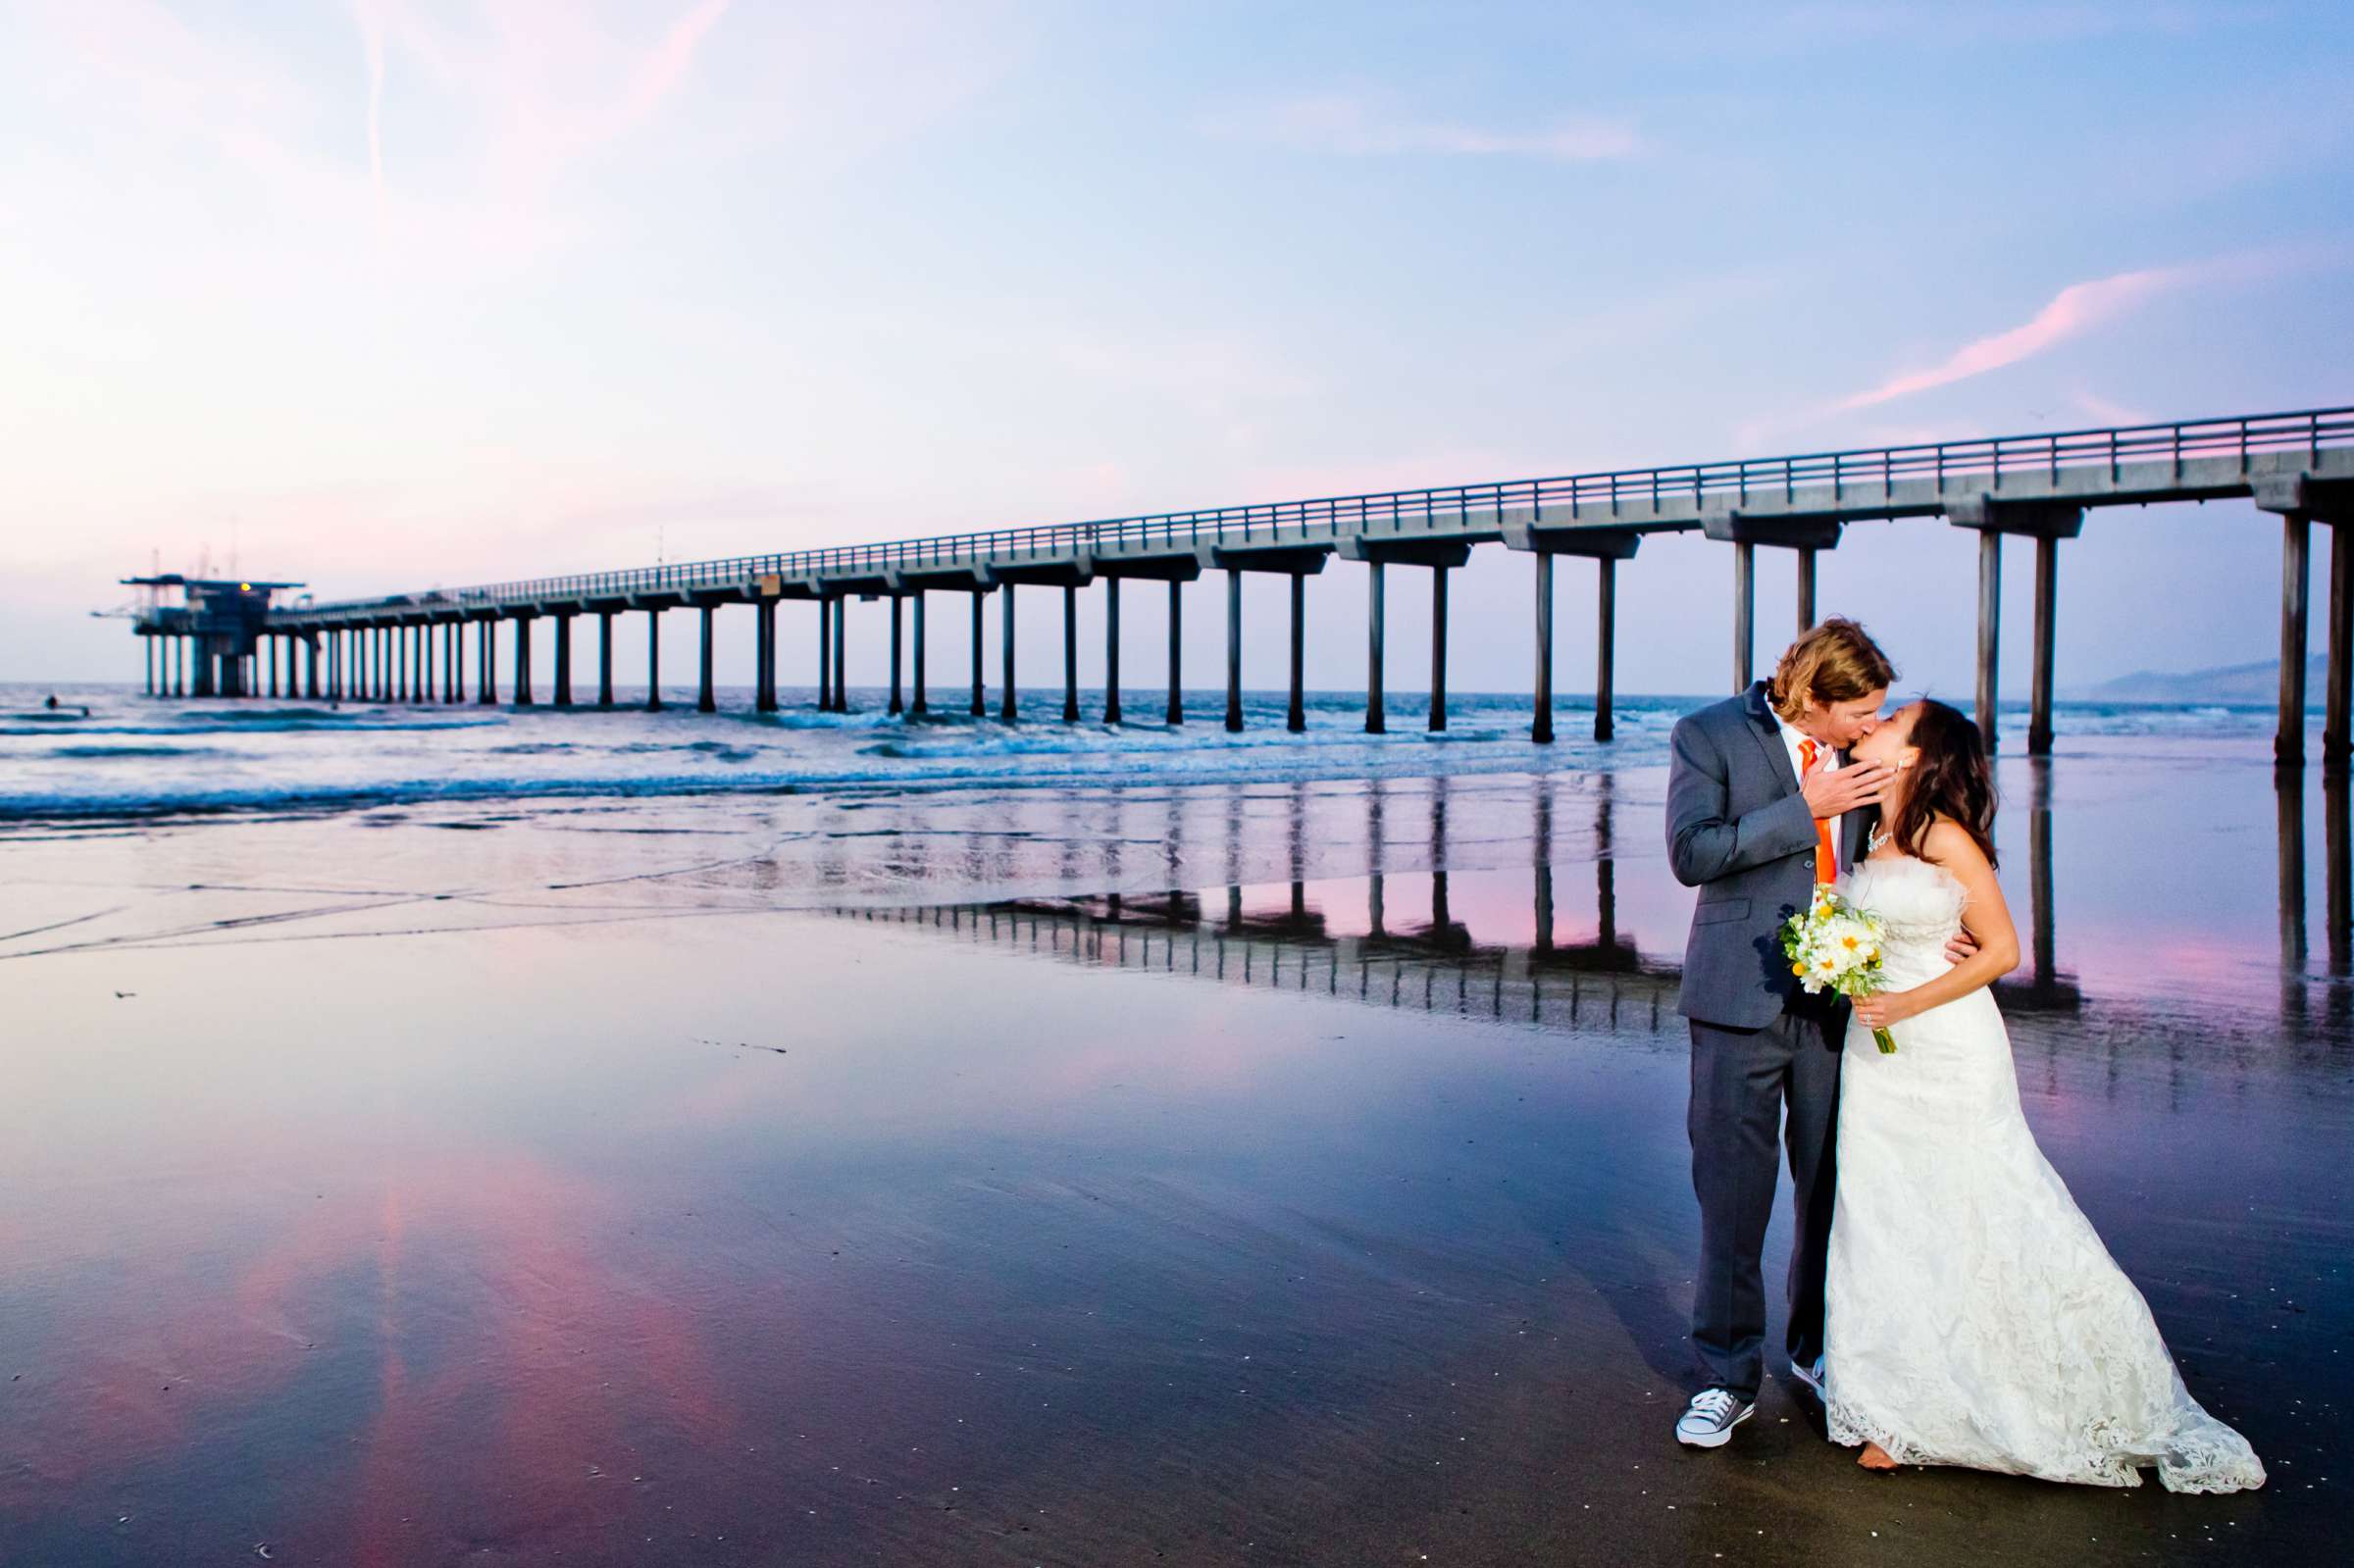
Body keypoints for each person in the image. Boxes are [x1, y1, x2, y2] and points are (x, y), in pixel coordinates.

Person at [1824, 698, 2265, 1492]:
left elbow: (2002, 950)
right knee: (1887, 1215)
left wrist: (1905, 1002)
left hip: (1945, 1048)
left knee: (1977, 1206)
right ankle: (1898, 1402)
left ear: (1918, 753)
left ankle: (2001, 1394)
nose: (1880, 720)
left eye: (1896, 719)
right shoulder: (1879, 831)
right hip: (1876, 1048)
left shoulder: (1944, 834)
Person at [1663, 619, 1897, 1447]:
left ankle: (1820, 1352)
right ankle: (1727, 1376)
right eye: (1862, 710)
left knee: (1832, 1194)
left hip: (1838, 1006)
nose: (1874, 722)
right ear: (1815, 698)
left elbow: (1901, 852)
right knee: (1733, 1199)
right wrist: (1807, 811)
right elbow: (1692, 853)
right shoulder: (1709, 734)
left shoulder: (1870, 753)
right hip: (1738, 1001)